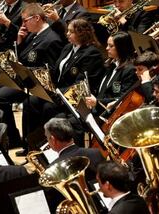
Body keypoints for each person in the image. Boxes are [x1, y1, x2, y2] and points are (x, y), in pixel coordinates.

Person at [18, 18, 104, 153]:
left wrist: (57, 93)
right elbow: (55, 70)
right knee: (30, 101)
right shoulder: (68, 47)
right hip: (57, 92)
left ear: (81, 34)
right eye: (67, 31)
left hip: (72, 96)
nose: (67, 34)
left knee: (48, 107)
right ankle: (30, 146)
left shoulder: (91, 53)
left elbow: (81, 83)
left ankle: (49, 147)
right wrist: (39, 77)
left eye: (71, 32)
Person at [85, 31, 138, 115]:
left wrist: (97, 102)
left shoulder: (130, 70)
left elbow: (121, 99)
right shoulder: (110, 64)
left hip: (108, 115)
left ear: (121, 48)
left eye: (111, 46)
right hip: (94, 110)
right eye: (107, 45)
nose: (106, 48)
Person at [17, 3, 64, 69]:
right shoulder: (32, 34)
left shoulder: (52, 40)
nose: (23, 25)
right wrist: (20, 41)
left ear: (37, 18)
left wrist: (25, 69)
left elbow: (49, 70)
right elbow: (22, 56)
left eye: (25, 20)